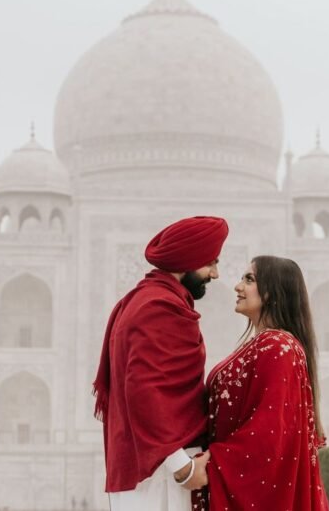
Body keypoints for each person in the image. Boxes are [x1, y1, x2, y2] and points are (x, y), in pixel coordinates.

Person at [93, 215, 229, 511]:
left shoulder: (141, 299)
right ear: (189, 261)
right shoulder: (159, 306)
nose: (215, 274)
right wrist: (182, 467)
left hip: (150, 468)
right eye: (211, 263)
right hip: (161, 473)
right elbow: (144, 390)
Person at [201, 255, 329, 511]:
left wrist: (210, 461)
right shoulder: (263, 345)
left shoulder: (278, 347)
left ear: (272, 293)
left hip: (239, 484)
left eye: (249, 279)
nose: (237, 286)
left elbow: (270, 432)